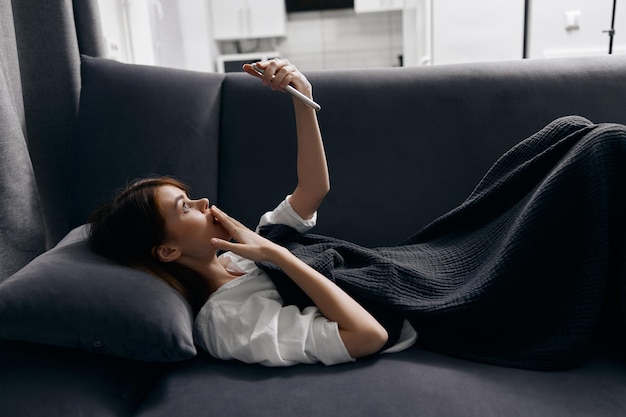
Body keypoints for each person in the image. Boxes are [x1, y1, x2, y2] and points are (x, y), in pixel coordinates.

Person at [89, 59, 417, 367]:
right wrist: (277, 256)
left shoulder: (245, 253)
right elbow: (368, 336)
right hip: (412, 311)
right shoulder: (227, 321)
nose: (204, 203)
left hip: (404, 270)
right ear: (167, 250)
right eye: (185, 207)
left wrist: (303, 98)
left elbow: (314, 189)